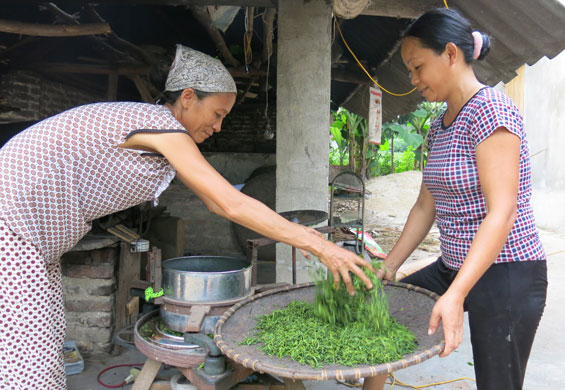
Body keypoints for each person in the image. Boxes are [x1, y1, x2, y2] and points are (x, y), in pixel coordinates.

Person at [0, 44, 374, 390]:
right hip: (11, 231)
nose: (219, 126)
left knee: (45, 341)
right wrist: (320, 246)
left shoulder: (159, 130)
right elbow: (230, 204)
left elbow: (216, 199)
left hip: (33, 241)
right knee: (26, 357)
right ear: (188, 98)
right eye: (217, 113)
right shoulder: (162, 127)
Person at [364, 8, 547, 390]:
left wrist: (456, 294)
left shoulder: (491, 111)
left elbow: (503, 210)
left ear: (450, 54)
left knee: (498, 383)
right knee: (383, 311)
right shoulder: (441, 124)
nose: (412, 80)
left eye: (417, 67)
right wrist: (390, 266)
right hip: (454, 265)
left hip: (507, 273)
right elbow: (424, 206)